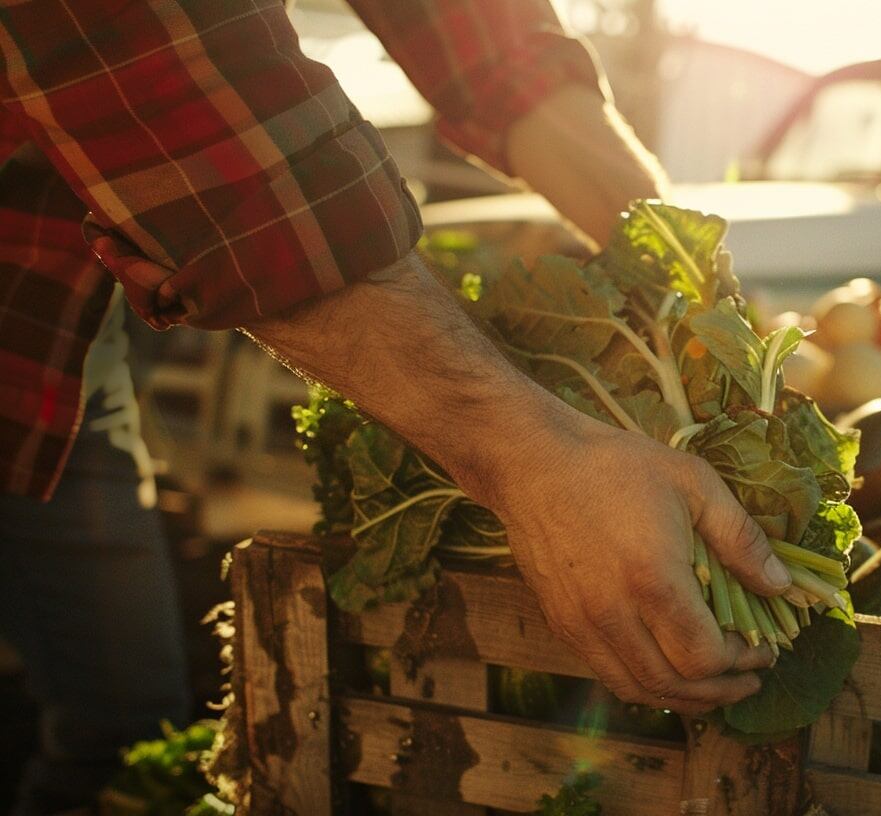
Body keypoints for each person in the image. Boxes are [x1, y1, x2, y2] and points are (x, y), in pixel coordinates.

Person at [0, 1, 786, 813]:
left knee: (117, 703)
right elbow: (187, 119)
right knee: (116, 720)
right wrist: (536, 459)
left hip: (61, 303)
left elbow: (483, 39)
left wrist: (688, 271)